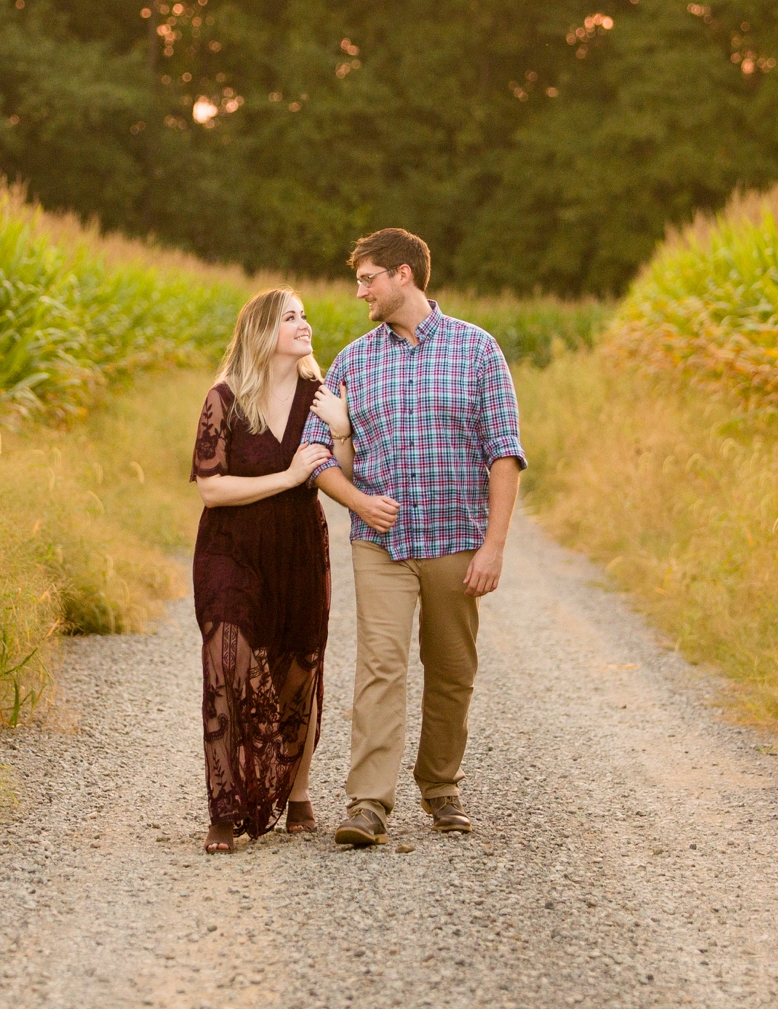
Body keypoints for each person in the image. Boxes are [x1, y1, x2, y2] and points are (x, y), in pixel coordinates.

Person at [300, 228, 525, 847]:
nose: (359, 291)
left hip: (457, 540)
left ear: (404, 275)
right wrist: (359, 503)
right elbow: (315, 453)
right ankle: (368, 802)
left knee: (453, 669)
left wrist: (495, 546)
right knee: (380, 666)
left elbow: (504, 453)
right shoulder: (352, 360)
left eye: (367, 278)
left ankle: (440, 784)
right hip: (382, 546)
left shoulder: (478, 351)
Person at [188, 288, 340, 854]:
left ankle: (297, 791)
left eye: (304, 315)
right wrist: (287, 476)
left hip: (299, 545)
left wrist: (342, 427)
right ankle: (225, 808)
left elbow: (344, 469)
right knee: (228, 662)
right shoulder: (223, 399)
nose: (304, 324)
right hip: (232, 550)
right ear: (261, 331)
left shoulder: (318, 395)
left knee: (299, 666)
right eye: (290, 317)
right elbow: (211, 486)